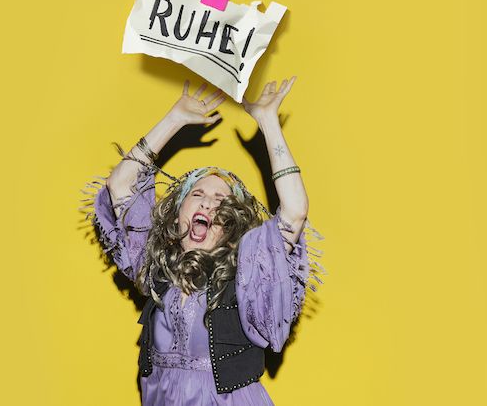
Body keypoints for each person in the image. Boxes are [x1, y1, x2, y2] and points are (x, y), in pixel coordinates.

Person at [86, 77, 324, 405]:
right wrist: (174, 119)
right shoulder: (155, 268)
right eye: (197, 194)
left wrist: (269, 123)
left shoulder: (248, 277)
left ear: (231, 226)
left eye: (220, 201)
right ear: (176, 214)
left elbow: (295, 211)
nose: (208, 203)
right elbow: (121, 185)